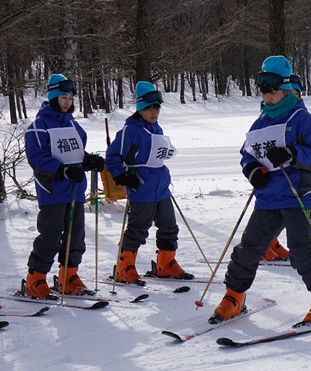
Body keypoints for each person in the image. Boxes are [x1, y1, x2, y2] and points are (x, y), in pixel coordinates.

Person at [209, 56, 311, 327]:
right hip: (267, 198)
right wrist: (252, 170)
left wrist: (292, 154)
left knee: (301, 251)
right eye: (263, 91)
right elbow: (247, 154)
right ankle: (234, 297)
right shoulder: (260, 122)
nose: (267, 96)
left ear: (287, 89)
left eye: (272, 90)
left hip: (298, 195)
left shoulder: (304, 120)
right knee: (248, 248)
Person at [24, 74, 104, 298]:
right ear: (53, 97)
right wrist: (62, 170)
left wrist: (89, 161)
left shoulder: (74, 126)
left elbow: (76, 154)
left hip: (75, 191)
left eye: (70, 98)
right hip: (53, 191)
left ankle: (68, 276)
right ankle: (35, 279)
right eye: (63, 97)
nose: (67, 102)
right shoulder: (38, 127)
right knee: (50, 236)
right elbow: (37, 157)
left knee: (75, 236)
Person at [105, 81, 193, 284]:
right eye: (149, 109)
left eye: (157, 108)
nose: (154, 113)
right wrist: (122, 176)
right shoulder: (130, 130)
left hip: (161, 187)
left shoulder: (156, 128)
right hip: (141, 187)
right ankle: (124, 267)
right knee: (138, 228)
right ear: (140, 109)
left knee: (169, 226)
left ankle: (166, 263)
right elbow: (112, 156)